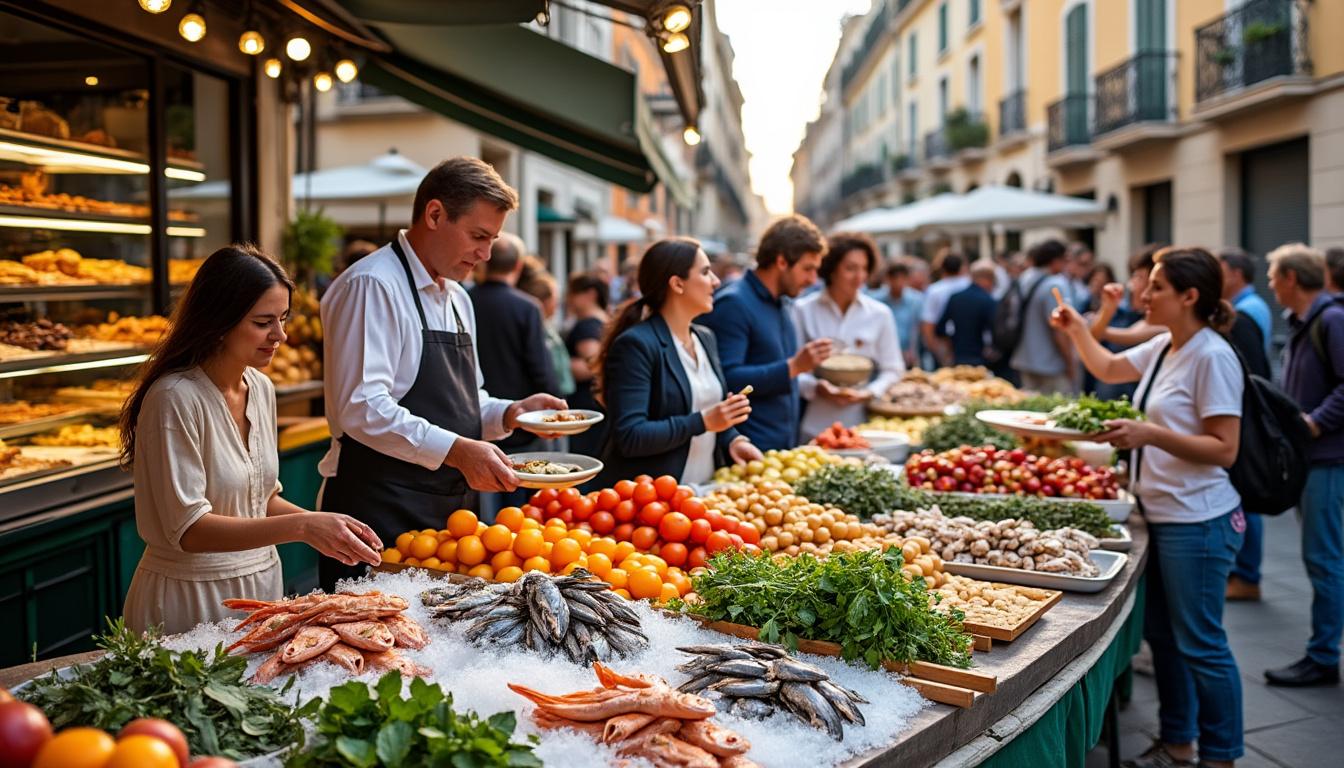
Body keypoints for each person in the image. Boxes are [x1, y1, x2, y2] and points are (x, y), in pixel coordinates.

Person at [318, 157, 566, 589]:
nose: (486, 254)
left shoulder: (458, 298)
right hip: (376, 515)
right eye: (478, 236)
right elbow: (361, 406)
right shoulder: (373, 285)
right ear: (434, 215)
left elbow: (469, 399)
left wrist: (511, 414)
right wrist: (457, 451)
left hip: (448, 519)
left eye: (492, 240)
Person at [120, 245, 382, 634]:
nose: (281, 335)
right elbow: (190, 530)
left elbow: (261, 498)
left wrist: (328, 526)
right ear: (219, 321)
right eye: (263, 322)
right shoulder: (174, 398)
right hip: (189, 600)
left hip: (261, 586)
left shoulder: (260, 387)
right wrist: (305, 529)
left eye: (283, 318)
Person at [1052, 246, 1245, 768]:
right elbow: (1109, 365)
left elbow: (1225, 448)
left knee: (1202, 645)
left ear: (1190, 296)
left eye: (1156, 287)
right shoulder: (1166, 344)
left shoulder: (1211, 355)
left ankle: (1222, 755)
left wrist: (1149, 434)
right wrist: (1076, 329)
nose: (1144, 294)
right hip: (1162, 514)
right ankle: (1179, 742)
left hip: (1199, 521)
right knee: (1163, 637)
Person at [593, 238, 764, 486]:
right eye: (705, 272)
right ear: (677, 284)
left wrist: (733, 439)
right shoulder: (636, 344)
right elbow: (630, 435)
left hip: (702, 494)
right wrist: (704, 421)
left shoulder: (706, 338)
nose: (716, 281)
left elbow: (708, 410)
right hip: (649, 502)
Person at [1263, 243, 1344, 687]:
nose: (1271, 284)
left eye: (1275, 276)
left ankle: (1323, 656)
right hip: (1314, 458)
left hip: (1327, 460)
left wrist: (1315, 423)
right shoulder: (1308, 322)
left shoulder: (1330, 319)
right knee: (1325, 558)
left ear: (1292, 278)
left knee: (1324, 559)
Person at [700, 214, 832, 451]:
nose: (813, 280)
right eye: (808, 269)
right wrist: (793, 366)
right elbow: (725, 379)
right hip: (746, 450)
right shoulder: (734, 303)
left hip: (780, 447)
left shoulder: (782, 301)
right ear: (782, 262)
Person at [792, 232, 905, 439]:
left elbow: (894, 368)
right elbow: (792, 368)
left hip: (865, 427)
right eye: (851, 268)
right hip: (813, 426)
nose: (859, 276)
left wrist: (869, 392)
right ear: (832, 269)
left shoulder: (880, 314)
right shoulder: (802, 310)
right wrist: (816, 387)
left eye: (864, 269)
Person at [469, 233, 561, 457]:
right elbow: (540, 366)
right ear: (518, 265)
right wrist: (555, 400)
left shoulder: (464, 299)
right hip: (519, 419)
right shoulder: (526, 307)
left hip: (476, 418)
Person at [1010, 239, 1077, 394]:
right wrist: (1070, 362)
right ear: (1055, 261)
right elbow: (1060, 328)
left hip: (1024, 357)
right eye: (1065, 260)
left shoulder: (1024, 278)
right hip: (1050, 364)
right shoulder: (1055, 284)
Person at [564, 272, 611, 457]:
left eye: (573, 293)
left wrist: (561, 365)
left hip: (586, 404)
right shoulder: (604, 320)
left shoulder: (588, 325)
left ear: (590, 294)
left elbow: (593, 365)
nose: (568, 300)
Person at [518, 271, 575, 414]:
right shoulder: (537, 327)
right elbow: (541, 366)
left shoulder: (548, 326)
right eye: (555, 298)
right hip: (546, 402)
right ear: (544, 301)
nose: (558, 304)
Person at [936, 259, 999, 367]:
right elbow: (995, 332)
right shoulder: (988, 301)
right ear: (987, 280)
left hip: (957, 356)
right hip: (981, 359)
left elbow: (940, 329)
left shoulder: (955, 298)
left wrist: (951, 343)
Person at [919, 251, 970, 367]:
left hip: (943, 343)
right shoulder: (969, 285)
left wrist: (936, 350)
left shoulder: (934, 290)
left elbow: (928, 325)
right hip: (967, 344)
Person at [1218, 248, 1273, 356]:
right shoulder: (1253, 304)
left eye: (1220, 273)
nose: (1215, 279)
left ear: (1236, 275)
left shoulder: (1246, 309)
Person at [873, 259, 924, 369]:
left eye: (903, 279)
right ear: (888, 279)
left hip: (908, 356)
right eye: (895, 279)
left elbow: (916, 329)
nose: (899, 283)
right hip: (881, 355)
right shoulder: (876, 300)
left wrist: (913, 352)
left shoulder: (916, 300)